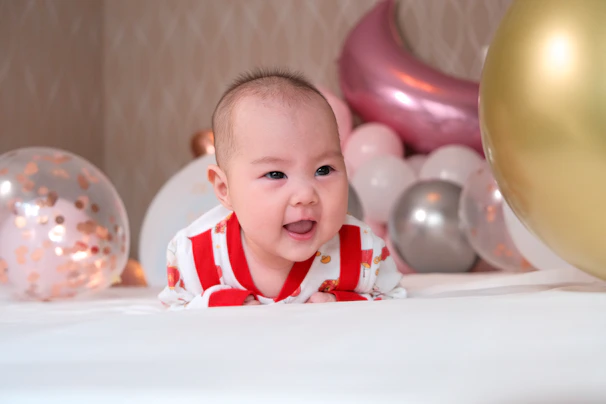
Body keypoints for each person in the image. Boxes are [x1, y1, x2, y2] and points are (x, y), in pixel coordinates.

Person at [158, 68, 406, 309]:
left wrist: (340, 303)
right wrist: (217, 303)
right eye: (276, 174)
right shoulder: (197, 254)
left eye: (323, 170)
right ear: (225, 189)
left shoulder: (362, 252)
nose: (305, 195)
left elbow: (393, 299)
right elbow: (175, 312)